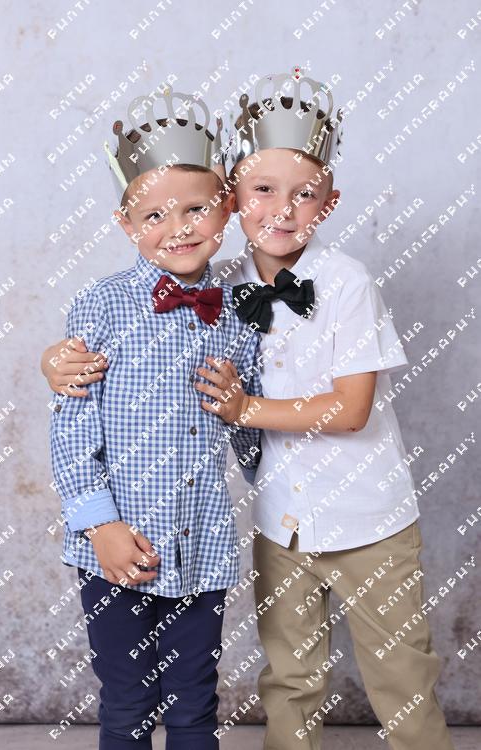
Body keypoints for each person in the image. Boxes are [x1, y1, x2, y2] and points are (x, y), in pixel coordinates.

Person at [193, 69, 455, 750]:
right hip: (282, 523)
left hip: (370, 522)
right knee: (289, 678)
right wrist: (59, 362)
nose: (282, 209)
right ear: (231, 195)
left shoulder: (346, 284)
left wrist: (247, 408)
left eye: (304, 194)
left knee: (401, 676)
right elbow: (146, 336)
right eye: (262, 190)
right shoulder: (220, 287)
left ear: (329, 203)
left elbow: (350, 409)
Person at [47, 86, 263, 750]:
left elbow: (252, 437)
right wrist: (101, 525)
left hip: (201, 547)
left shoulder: (240, 312)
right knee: (128, 700)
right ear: (126, 223)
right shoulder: (102, 304)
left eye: (197, 208)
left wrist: (246, 411)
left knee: (196, 700)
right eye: (155, 215)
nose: (181, 228)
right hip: (117, 547)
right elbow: (71, 427)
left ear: (226, 207)